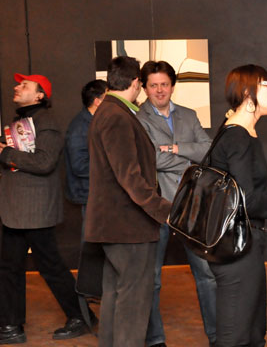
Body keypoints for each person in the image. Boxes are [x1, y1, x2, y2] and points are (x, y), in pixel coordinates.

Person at [207, 64, 267, 346]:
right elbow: (244, 199)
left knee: (252, 332)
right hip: (236, 249)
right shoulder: (238, 136)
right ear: (248, 92)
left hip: (242, 244)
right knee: (237, 337)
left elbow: (243, 193)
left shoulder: (240, 132)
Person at [85, 56, 172, 347]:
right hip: (128, 227)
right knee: (133, 304)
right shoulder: (117, 116)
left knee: (115, 296)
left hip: (116, 227)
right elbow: (130, 178)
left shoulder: (107, 111)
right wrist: (165, 211)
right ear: (136, 82)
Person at [0, 73, 90, 344]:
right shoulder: (22, 121)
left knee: (50, 266)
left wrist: (4, 153)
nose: (17, 87)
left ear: (40, 95)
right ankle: (11, 325)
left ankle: (80, 316)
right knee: (10, 268)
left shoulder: (46, 122)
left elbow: (44, 162)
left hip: (35, 210)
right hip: (17, 210)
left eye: (24, 85)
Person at [136, 61, 217, 347]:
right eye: (153, 85)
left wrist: (175, 148)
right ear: (144, 88)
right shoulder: (138, 118)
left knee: (206, 274)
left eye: (164, 84)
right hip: (155, 208)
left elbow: (209, 150)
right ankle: (154, 339)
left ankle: (217, 336)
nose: (159, 90)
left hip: (192, 205)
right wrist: (188, 159)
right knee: (152, 279)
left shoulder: (188, 115)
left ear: (172, 86)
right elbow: (150, 159)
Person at [64, 79, 108, 241]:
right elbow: (79, 165)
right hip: (89, 193)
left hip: (97, 192)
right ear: (97, 101)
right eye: (109, 97)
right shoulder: (80, 127)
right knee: (92, 240)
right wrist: (111, 169)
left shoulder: (95, 122)